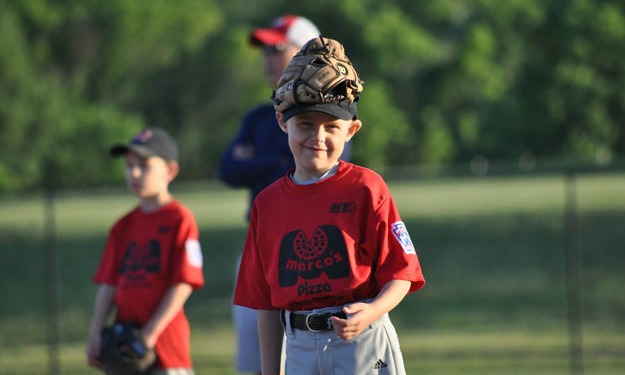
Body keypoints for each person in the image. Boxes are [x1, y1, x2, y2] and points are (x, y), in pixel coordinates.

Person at [233, 36, 425, 375]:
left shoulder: (366, 187)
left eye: (331, 127)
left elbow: (402, 275)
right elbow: (265, 302)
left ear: (351, 130)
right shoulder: (268, 203)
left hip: (362, 343)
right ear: (282, 122)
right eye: (305, 124)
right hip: (299, 346)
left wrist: (372, 311)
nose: (317, 138)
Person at [219, 15, 351, 375]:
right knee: (253, 354)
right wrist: (275, 161)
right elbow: (228, 169)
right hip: (259, 244)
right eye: (265, 50)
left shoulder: (332, 116)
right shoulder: (260, 118)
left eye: (277, 49)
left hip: (318, 251)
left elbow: (316, 175)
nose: (267, 58)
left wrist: (262, 162)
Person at [86, 128, 205, 375]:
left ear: (170, 171)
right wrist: (96, 332)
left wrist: (149, 335)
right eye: (129, 165)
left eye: (145, 165)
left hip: (165, 347)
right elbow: (109, 284)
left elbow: (184, 282)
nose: (134, 173)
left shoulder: (179, 219)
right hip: (124, 343)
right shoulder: (123, 226)